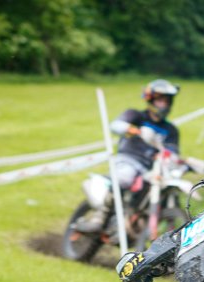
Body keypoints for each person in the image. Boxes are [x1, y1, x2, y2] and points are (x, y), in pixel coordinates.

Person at [77, 79, 181, 233]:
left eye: (167, 101)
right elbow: (115, 126)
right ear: (151, 100)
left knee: (163, 189)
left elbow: (173, 152)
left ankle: (140, 223)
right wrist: (136, 130)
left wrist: (180, 161)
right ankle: (99, 217)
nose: (164, 104)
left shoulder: (171, 130)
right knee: (125, 177)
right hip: (128, 160)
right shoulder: (136, 115)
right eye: (161, 100)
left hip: (151, 168)